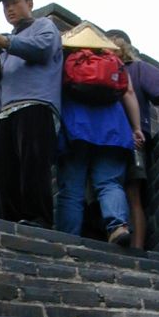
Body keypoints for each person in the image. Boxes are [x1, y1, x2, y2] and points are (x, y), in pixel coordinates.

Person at [0, 0, 63, 229]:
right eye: (6, 5)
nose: (10, 9)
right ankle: (13, 222)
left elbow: (43, 49)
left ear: (30, 3)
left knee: (33, 166)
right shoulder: (7, 41)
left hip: (35, 103)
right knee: (4, 174)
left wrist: (6, 44)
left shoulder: (45, 26)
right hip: (2, 113)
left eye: (15, 2)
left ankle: (39, 220)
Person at [56, 30, 144, 246]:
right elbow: (129, 93)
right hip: (113, 130)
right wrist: (136, 128)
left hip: (77, 128)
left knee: (72, 187)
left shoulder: (66, 58)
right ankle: (118, 227)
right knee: (109, 183)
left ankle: (68, 238)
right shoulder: (112, 60)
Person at [107, 30, 159, 249]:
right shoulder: (103, 71)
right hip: (113, 140)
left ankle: (136, 249)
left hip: (129, 140)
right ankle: (130, 247)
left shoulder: (136, 70)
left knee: (130, 194)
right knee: (122, 194)